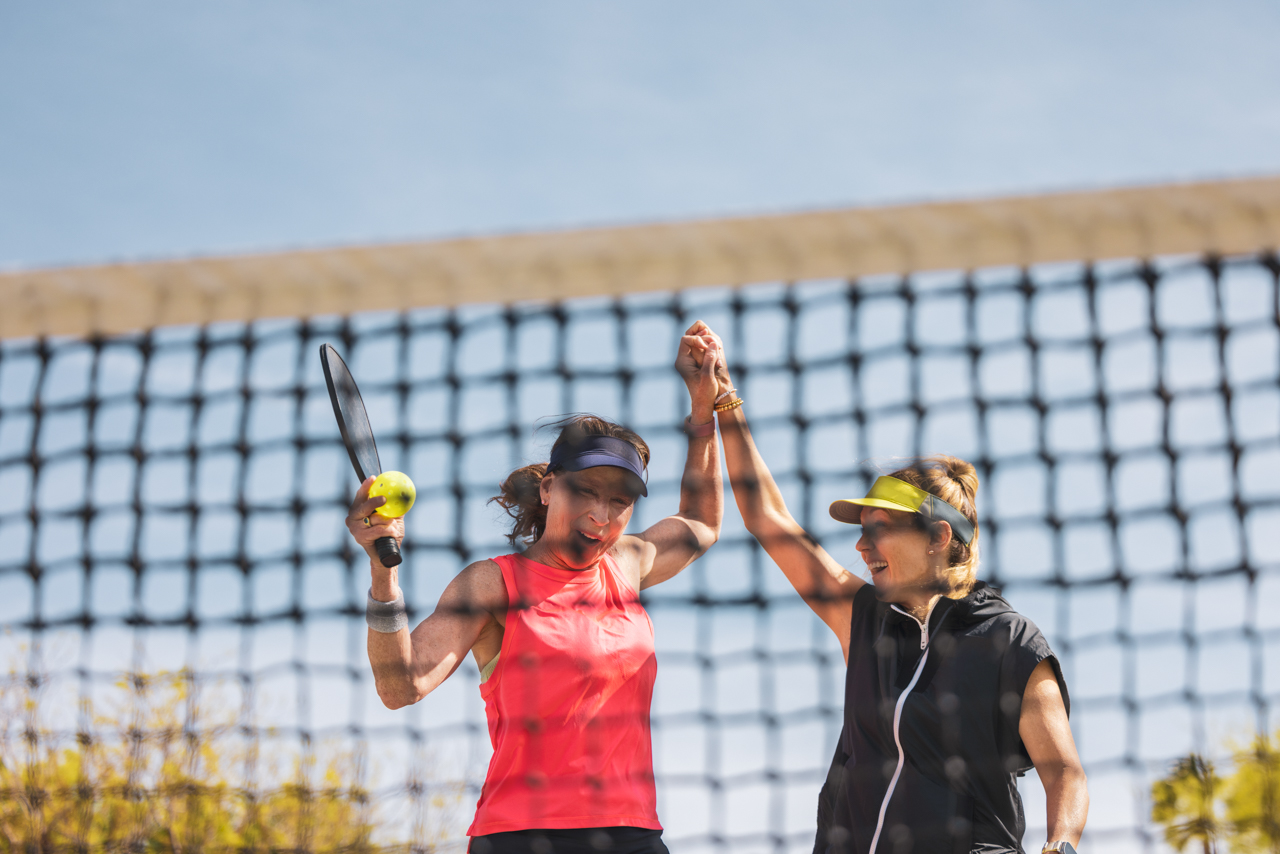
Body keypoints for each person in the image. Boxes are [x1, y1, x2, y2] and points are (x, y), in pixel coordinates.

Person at [684, 320, 1089, 854]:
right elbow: (767, 517)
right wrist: (721, 396)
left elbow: (1063, 771)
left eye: (880, 530)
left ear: (938, 538)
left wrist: (1060, 847)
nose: (861, 546)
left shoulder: (1011, 642)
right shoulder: (864, 615)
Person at [344, 334, 724, 854]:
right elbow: (400, 686)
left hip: (633, 834)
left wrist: (704, 407)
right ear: (548, 489)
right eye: (585, 491)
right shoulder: (492, 584)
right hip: (521, 836)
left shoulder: (626, 565)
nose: (602, 514)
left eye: (620, 499)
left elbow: (701, 522)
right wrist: (382, 574)